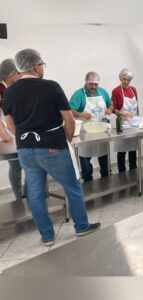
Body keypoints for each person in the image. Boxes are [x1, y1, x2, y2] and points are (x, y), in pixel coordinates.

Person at [2, 49, 100, 245]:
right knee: (72, 186)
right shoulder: (51, 87)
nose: (43, 68)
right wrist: (67, 140)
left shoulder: (10, 92)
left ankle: (47, 236)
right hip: (53, 147)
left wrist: (25, 139)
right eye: (42, 65)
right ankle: (81, 227)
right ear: (36, 66)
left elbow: (10, 125)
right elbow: (69, 120)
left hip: (25, 150)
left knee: (36, 194)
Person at [70, 72, 113, 182]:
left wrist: (109, 109)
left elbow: (110, 104)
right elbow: (70, 110)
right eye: (91, 84)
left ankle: (106, 179)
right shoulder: (79, 94)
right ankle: (87, 180)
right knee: (85, 158)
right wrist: (81, 115)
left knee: (103, 156)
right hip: (86, 132)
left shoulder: (102, 92)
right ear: (86, 82)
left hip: (101, 131)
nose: (94, 87)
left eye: (96, 84)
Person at [0, 58, 26, 200]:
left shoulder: (17, 87)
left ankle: (29, 195)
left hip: (20, 130)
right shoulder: (0, 88)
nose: (21, 75)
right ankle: (19, 198)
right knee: (16, 166)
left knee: (30, 165)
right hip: (7, 135)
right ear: (11, 74)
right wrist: (3, 132)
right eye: (19, 72)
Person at [111, 68, 138, 172]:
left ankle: (133, 170)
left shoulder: (133, 90)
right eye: (124, 79)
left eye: (128, 80)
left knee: (132, 148)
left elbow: (136, 108)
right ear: (120, 78)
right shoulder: (116, 91)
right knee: (121, 149)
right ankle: (121, 171)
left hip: (133, 124)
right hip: (121, 123)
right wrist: (121, 112)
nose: (126, 82)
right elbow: (112, 108)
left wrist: (139, 120)